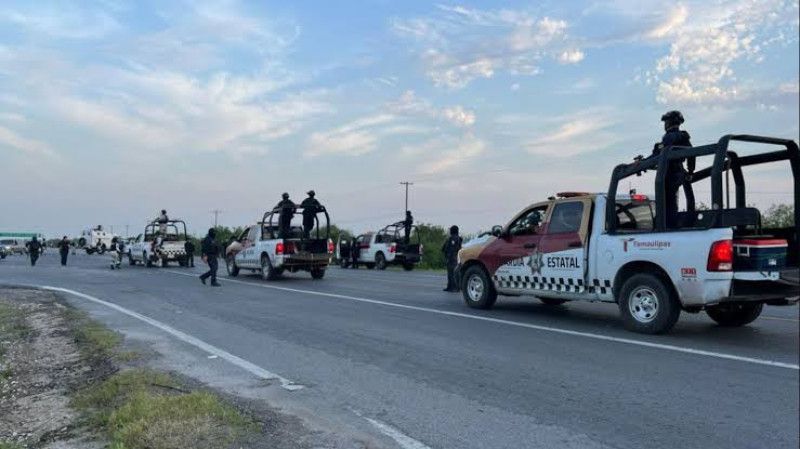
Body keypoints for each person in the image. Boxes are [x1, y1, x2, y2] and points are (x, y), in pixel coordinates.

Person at [649, 111, 694, 228]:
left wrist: (643, 163)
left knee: (664, 202)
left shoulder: (669, 137)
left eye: (666, 122)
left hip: (668, 173)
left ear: (669, 122)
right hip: (677, 172)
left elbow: (658, 155)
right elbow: (692, 154)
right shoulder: (683, 136)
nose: (665, 124)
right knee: (672, 201)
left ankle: (664, 225)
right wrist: (690, 171)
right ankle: (670, 223)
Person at [442, 225, 463, 292]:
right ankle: (451, 286)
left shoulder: (452, 238)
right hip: (457, 257)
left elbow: (450, 248)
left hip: (452, 257)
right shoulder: (459, 238)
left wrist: (448, 256)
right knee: (453, 272)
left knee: (452, 272)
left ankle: (454, 287)